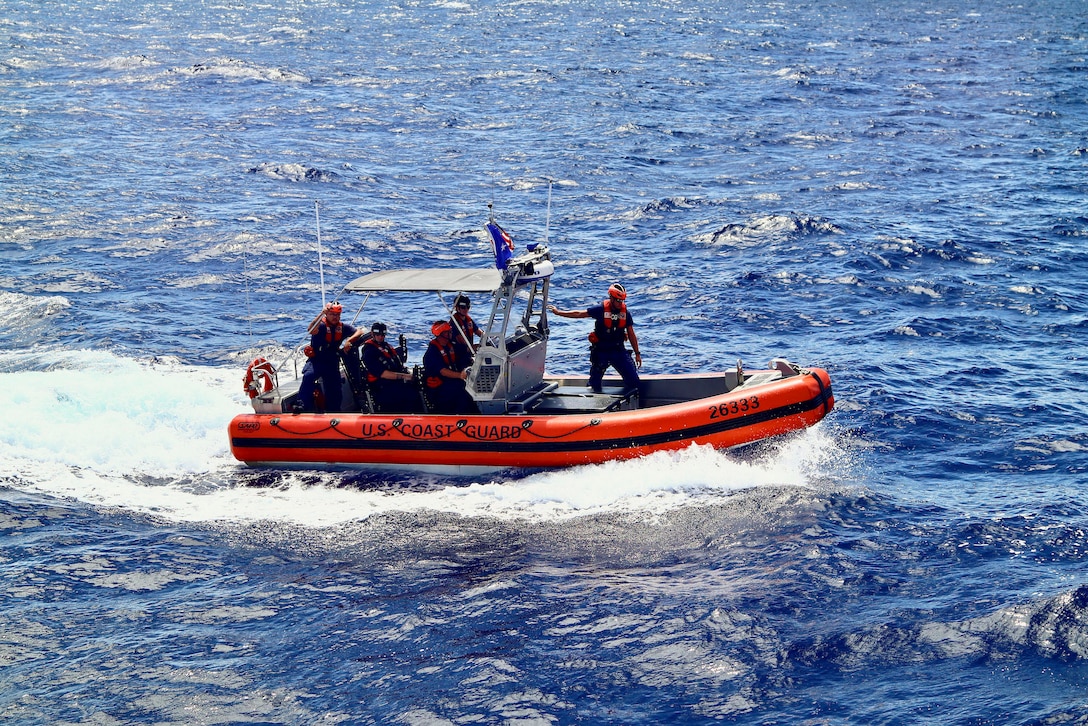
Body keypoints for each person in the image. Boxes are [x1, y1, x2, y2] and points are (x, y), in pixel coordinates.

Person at [548, 282, 642, 394]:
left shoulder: (625, 313)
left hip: (618, 351)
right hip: (601, 351)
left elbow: (631, 334)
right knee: (594, 384)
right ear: (611, 298)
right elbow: (579, 314)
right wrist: (559, 313)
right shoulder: (600, 309)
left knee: (634, 380)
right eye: (618, 300)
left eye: (622, 301)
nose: (620, 303)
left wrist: (637, 353)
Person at [296, 302, 365, 412]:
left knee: (334, 387)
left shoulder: (342, 327)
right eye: (332, 314)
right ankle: (301, 405)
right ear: (327, 314)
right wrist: (321, 314)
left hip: (332, 361)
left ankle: (334, 411)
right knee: (309, 376)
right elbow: (311, 329)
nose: (335, 317)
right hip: (317, 360)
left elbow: (360, 331)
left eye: (337, 315)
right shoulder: (321, 325)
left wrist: (349, 340)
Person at [361, 321, 421, 413]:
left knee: (418, 384)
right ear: (372, 334)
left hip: (393, 380)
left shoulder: (386, 346)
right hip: (382, 384)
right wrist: (405, 377)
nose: (381, 337)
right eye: (378, 334)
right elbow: (382, 373)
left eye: (383, 334)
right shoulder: (369, 351)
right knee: (407, 393)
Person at [423, 320, 478, 414]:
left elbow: (466, 350)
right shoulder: (432, 353)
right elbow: (443, 371)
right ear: (441, 334)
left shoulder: (451, 345)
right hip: (440, 387)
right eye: (448, 331)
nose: (451, 333)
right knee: (462, 391)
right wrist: (460, 375)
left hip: (453, 381)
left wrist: (481, 347)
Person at [449, 293, 483, 361]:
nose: (466, 309)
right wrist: (480, 347)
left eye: (468, 307)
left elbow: (479, 332)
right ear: (457, 308)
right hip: (459, 355)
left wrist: (488, 338)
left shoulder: (468, 320)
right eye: (463, 307)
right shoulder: (454, 323)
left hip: (469, 352)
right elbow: (462, 342)